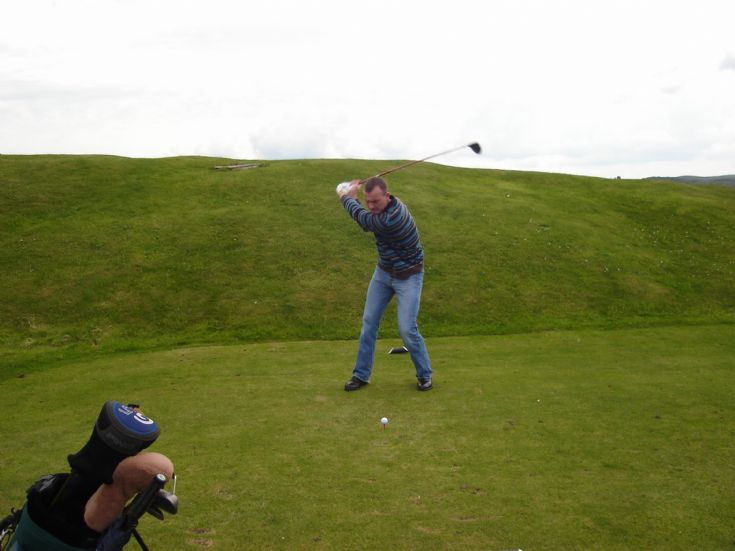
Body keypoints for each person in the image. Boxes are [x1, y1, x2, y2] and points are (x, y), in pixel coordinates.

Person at [337, 177, 433, 391]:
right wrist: (354, 196)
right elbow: (366, 215)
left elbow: (365, 221)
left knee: (407, 329)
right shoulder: (380, 210)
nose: (371, 207)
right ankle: (360, 375)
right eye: (368, 201)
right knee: (369, 322)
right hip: (384, 272)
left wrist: (345, 196)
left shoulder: (393, 218)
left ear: (387, 197)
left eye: (375, 202)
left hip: (408, 275)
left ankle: (425, 374)